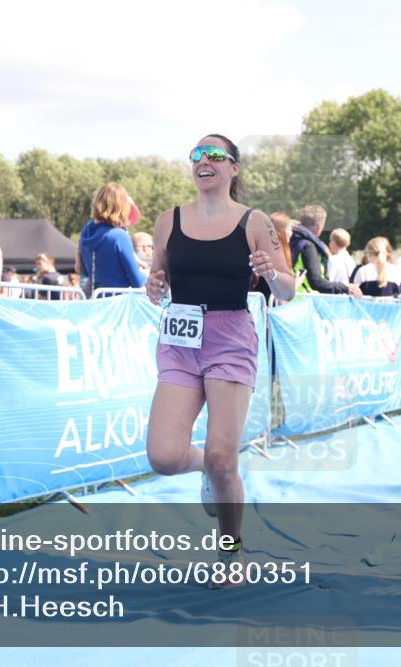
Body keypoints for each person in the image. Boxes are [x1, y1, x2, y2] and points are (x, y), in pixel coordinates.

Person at [144, 134, 294, 587]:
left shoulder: (254, 221)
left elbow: (287, 290)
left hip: (230, 338)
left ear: (233, 169)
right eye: (197, 155)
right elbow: (159, 277)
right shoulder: (168, 221)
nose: (204, 161)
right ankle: (206, 467)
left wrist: (272, 275)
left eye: (215, 155)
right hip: (180, 339)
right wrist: (154, 288)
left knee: (224, 458)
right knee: (164, 456)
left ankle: (231, 552)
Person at [76, 183, 147, 297]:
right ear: (122, 206)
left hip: (93, 303)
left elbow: (83, 271)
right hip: (117, 305)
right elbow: (137, 281)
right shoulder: (119, 236)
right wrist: (148, 275)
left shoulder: (86, 233)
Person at [289, 204, 362, 297]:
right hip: (304, 301)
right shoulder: (308, 247)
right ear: (319, 227)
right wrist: (346, 288)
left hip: (290, 300)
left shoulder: (290, 241)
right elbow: (316, 282)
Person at [253, 212, 296, 304]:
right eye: (288, 229)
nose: (291, 233)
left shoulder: (284, 252)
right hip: (266, 306)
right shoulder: (268, 254)